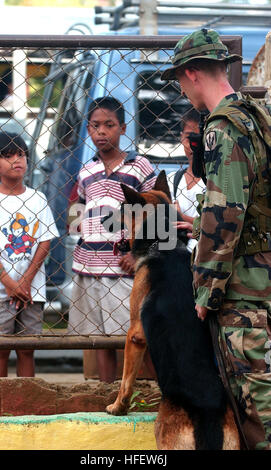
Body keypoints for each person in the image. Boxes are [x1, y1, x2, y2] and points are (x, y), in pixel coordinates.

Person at [161, 28, 271, 450]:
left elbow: (226, 213)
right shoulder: (255, 113)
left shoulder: (221, 127)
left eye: (179, 80)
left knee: (254, 399)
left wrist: (205, 288)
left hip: (241, 286)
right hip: (262, 272)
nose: (183, 91)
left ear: (192, 73)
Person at [68, 96, 156, 383]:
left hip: (123, 270)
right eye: (95, 126)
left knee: (136, 335)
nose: (102, 132)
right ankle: (104, 395)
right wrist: (80, 239)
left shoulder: (139, 167)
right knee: (98, 339)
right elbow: (76, 215)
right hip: (89, 269)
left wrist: (138, 253)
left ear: (123, 128)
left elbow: (158, 212)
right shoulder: (85, 172)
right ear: (88, 129)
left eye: (109, 125)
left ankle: (154, 394)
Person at [0, 132, 59, 377]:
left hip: (32, 290)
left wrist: (25, 281)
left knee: (26, 350)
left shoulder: (37, 199)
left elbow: (45, 241)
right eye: (8, 156)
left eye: (21, 154)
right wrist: (9, 283)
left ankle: (26, 404)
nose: (17, 160)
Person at [167, 108, 205, 252]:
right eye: (189, 137)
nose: (194, 145)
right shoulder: (172, 181)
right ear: (181, 137)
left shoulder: (216, 181)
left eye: (200, 138)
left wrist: (181, 216)